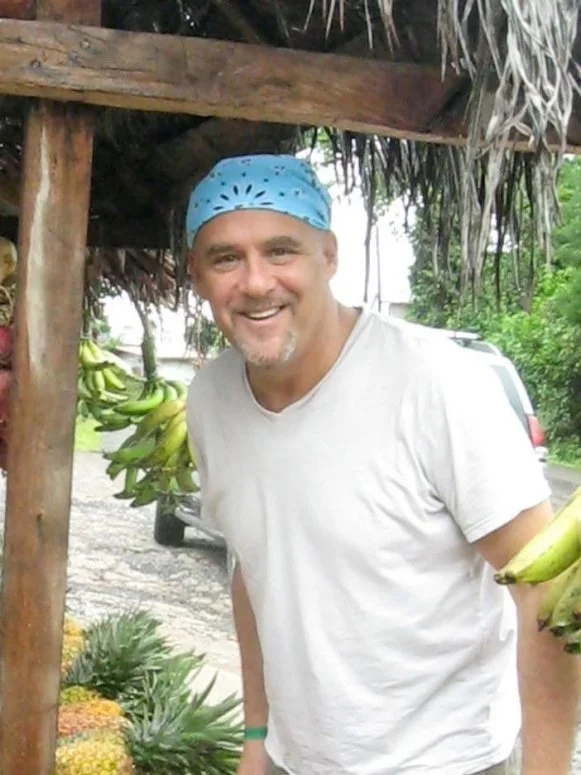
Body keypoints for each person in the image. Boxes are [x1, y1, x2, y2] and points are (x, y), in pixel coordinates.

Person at [184, 153, 579, 775]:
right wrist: (257, 736)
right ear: (197, 275)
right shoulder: (209, 399)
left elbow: (547, 592)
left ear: (329, 257)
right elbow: (254, 570)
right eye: (226, 258)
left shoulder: (438, 384)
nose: (256, 282)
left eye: (281, 250)